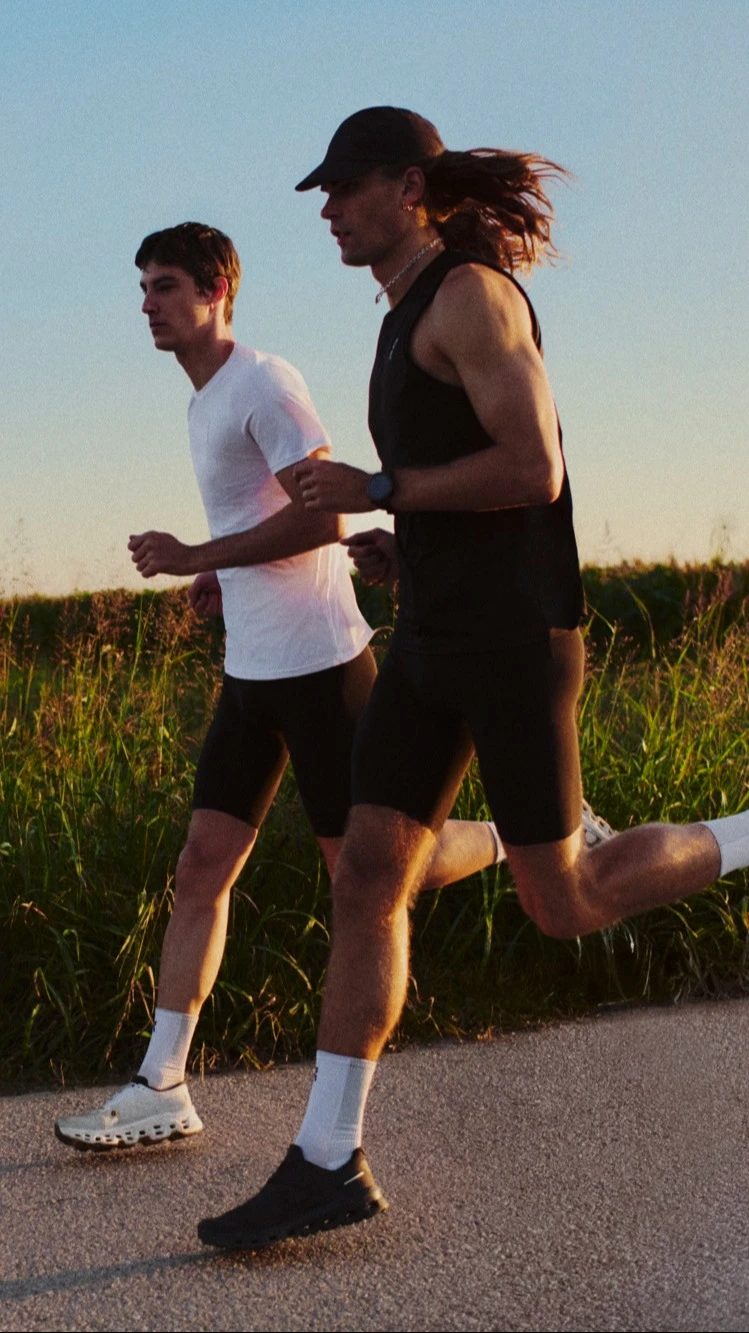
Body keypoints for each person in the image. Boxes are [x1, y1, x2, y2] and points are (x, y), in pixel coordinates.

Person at [196, 107, 749, 1252]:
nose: (326, 209)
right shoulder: (401, 311)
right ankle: (327, 1159)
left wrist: (381, 489)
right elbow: (460, 482)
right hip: (431, 634)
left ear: (409, 188)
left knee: (565, 902)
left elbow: (529, 466)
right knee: (366, 876)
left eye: (344, 187)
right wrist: (405, 545)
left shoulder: (469, 296)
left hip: (510, 642)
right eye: (321, 192)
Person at [54, 220, 563, 1153]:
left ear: (216, 290)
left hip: (320, 668)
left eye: (165, 286)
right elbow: (268, 515)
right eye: (144, 288)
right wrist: (224, 575)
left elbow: (324, 513)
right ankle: (162, 1082)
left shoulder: (263, 382)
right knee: (201, 865)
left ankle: (514, 840)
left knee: (371, 871)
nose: (147, 305)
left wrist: (197, 555)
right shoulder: (205, 401)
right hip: (251, 671)